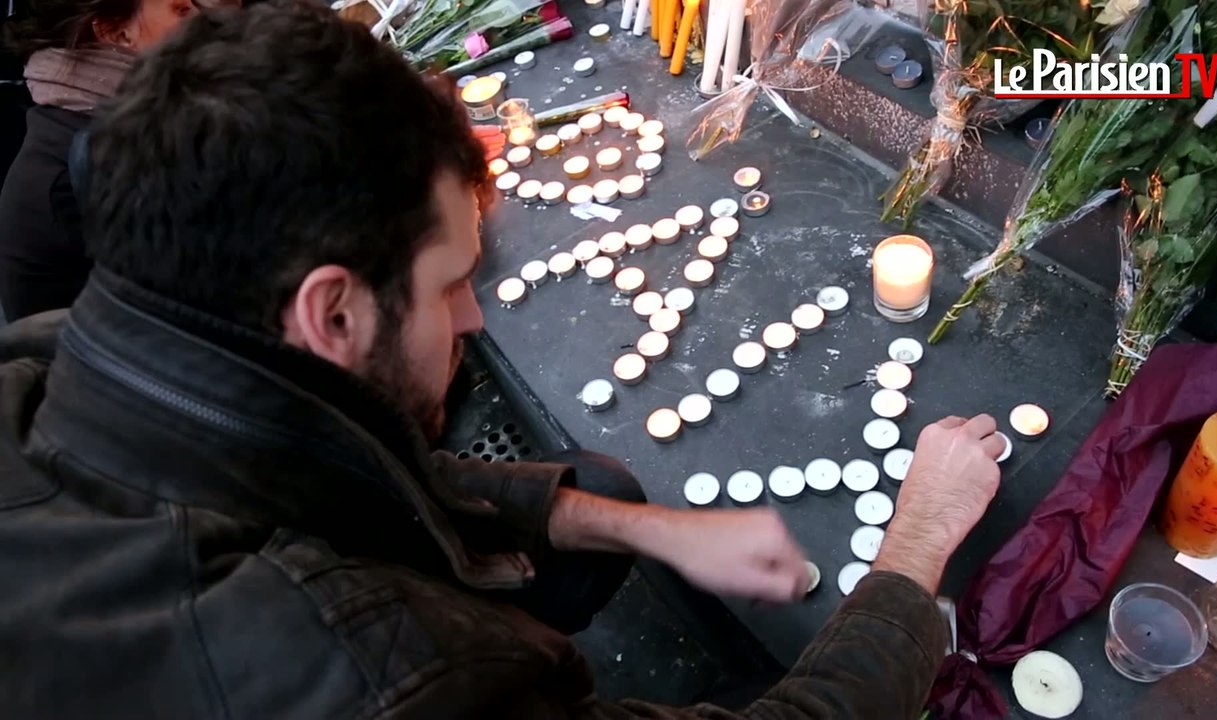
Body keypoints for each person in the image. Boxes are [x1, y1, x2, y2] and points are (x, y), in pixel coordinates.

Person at [0, 3, 1006, 718]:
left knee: (595, 489)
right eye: (447, 281)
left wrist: (649, 529)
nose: (474, 317)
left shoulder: (54, 362)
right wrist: (913, 546)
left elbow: (328, 457)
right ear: (332, 312)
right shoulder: (389, 677)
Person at [0, 0, 217, 321]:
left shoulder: (104, 124)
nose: (201, 18)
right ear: (116, 32)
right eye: (180, 9)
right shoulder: (102, 154)